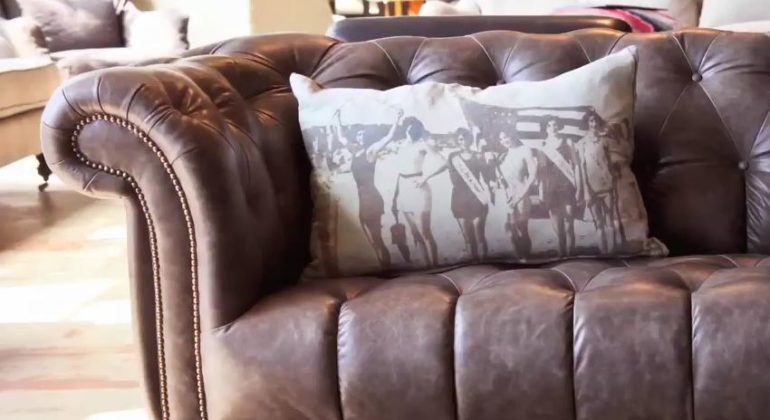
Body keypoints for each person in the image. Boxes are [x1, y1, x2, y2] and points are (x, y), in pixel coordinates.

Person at [336, 108, 404, 270]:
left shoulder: (371, 151)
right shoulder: (355, 151)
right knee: (371, 240)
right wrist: (338, 118)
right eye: (359, 135)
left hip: (371, 198)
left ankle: (387, 269)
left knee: (376, 238)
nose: (361, 137)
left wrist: (397, 119)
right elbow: (341, 138)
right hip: (361, 198)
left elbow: (388, 137)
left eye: (363, 135)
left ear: (368, 137)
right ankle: (383, 266)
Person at [421, 127, 490, 262]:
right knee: (468, 234)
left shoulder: (478, 156)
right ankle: (474, 262)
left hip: (476, 195)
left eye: (465, 138)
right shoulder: (453, 156)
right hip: (459, 197)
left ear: (470, 139)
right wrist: (426, 177)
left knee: (479, 233)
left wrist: (491, 188)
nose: (463, 141)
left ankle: (485, 262)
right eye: (460, 139)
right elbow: (443, 167)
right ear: (457, 141)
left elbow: (487, 175)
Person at [394, 117, 439, 266]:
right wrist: (395, 197)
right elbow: (399, 172)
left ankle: (435, 267)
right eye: (409, 127)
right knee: (415, 234)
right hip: (404, 189)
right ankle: (427, 268)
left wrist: (425, 178)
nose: (411, 130)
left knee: (425, 232)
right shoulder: (400, 146)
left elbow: (444, 162)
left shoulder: (423, 145)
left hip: (419, 188)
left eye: (415, 127)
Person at [575, 111, 618, 253]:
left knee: (610, 219)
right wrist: (586, 192)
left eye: (595, 121)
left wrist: (612, 180)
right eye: (591, 121)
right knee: (598, 222)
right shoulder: (581, 144)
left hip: (607, 185)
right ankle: (603, 252)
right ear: (586, 123)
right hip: (592, 188)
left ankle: (612, 252)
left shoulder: (604, 141)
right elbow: (582, 168)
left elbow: (610, 163)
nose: (593, 124)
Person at [538, 117, 578, 257]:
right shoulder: (543, 145)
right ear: (546, 128)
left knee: (568, 224)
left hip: (567, 186)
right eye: (549, 125)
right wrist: (541, 192)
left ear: (559, 126)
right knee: (557, 227)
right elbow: (542, 172)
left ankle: (571, 255)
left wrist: (578, 186)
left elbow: (576, 165)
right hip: (550, 188)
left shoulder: (568, 142)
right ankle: (562, 255)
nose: (552, 127)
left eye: (555, 125)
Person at [496, 129, 538, 257]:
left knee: (522, 228)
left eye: (506, 137)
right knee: (510, 229)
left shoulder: (525, 150)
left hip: (521, 195)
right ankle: (518, 256)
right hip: (506, 196)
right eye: (501, 139)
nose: (504, 141)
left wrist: (521, 195)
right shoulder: (503, 156)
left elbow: (533, 175)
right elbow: (500, 178)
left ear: (512, 135)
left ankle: (526, 258)